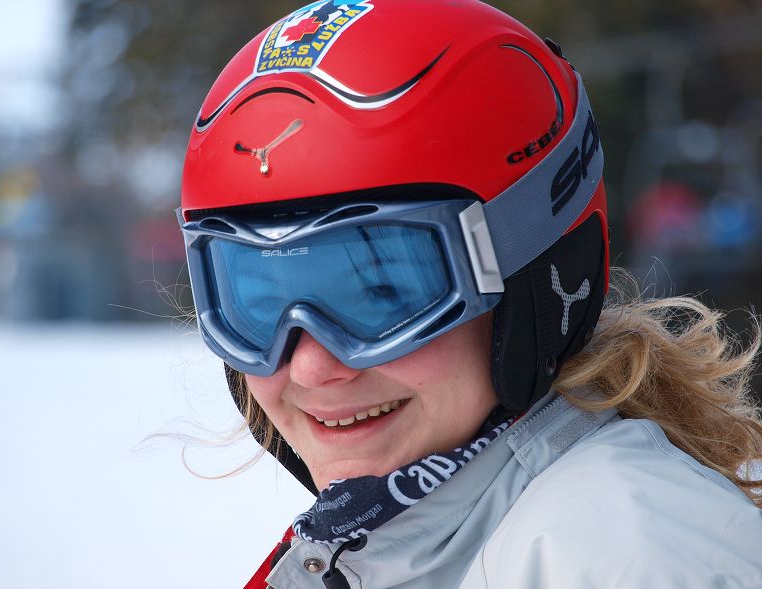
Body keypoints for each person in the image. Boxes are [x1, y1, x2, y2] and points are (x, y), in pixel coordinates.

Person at [177, 1, 762, 587]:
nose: (310, 367)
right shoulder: (412, 548)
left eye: (381, 293)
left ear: (535, 283)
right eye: (260, 304)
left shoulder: (622, 558)